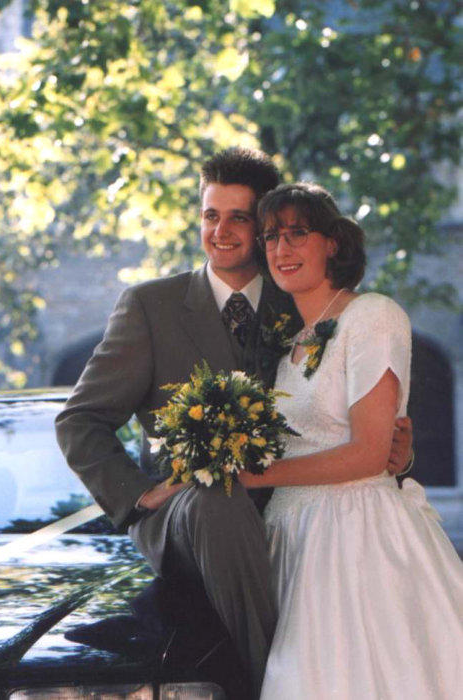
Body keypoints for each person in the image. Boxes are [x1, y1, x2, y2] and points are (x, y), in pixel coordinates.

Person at [55, 148, 413, 698]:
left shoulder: (301, 300)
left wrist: (397, 452)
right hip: (184, 512)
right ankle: (267, 684)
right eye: (210, 215)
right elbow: (81, 419)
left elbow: (347, 407)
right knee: (216, 498)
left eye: (239, 218)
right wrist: (139, 494)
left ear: (264, 224)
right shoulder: (151, 306)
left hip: (290, 509)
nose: (220, 232)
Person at [237, 182, 463, 699]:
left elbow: (369, 452)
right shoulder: (289, 343)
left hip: (355, 540)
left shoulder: (372, 316)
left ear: (333, 243)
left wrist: (256, 475)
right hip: (290, 539)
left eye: (297, 233)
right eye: (271, 236)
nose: (281, 248)